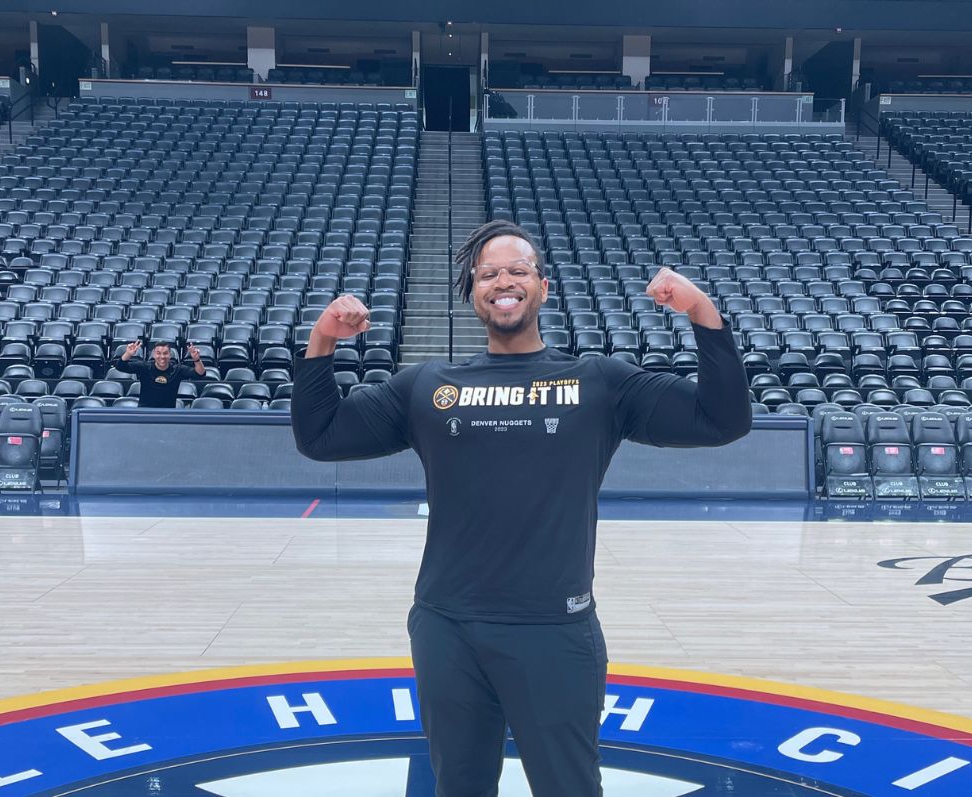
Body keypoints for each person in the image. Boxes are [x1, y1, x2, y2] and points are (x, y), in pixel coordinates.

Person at [291, 219, 752, 796]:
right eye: (488, 273)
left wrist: (702, 313)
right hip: (447, 627)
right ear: (473, 292)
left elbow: (723, 419)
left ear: (543, 286)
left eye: (517, 270)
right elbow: (321, 436)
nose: (503, 281)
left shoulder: (598, 382)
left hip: (554, 630)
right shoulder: (428, 386)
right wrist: (324, 340)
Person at [113, 340, 207, 408]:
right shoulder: (145, 367)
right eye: (158, 353)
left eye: (165, 353)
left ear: (170, 355)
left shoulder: (177, 369)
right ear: (154, 354)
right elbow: (120, 366)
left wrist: (196, 359)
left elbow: (200, 374)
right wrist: (128, 353)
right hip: (144, 412)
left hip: (168, 414)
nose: (162, 357)